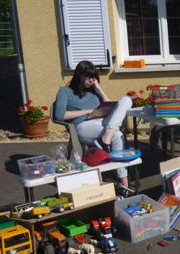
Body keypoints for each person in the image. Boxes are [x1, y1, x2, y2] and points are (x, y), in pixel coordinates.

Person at [53, 60, 133, 194]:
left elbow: (109, 106)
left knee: (126, 99)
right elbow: (59, 115)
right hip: (83, 125)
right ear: (79, 75)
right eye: (88, 77)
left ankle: (106, 138)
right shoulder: (65, 91)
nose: (91, 80)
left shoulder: (94, 92)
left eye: (94, 77)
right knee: (117, 135)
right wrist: (87, 111)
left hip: (104, 123)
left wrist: (99, 90)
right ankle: (124, 182)